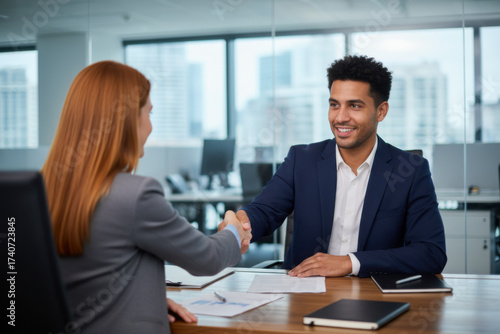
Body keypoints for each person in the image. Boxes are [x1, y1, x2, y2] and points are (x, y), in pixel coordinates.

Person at [41, 61, 251, 333]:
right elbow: (207, 257)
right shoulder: (135, 195)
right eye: (148, 113)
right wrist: (234, 229)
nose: (150, 127)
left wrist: (147, 299)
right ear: (126, 121)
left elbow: (82, 280)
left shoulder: (42, 193)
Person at [223, 55, 446, 278]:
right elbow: (264, 211)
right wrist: (242, 221)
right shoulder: (301, 160)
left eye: (354, 106)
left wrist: (351, 263)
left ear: (381, 111)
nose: (340, 117)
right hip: (304, 293)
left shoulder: (411, 170)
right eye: (334, 105)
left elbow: (431, 253)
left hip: (373, 295)